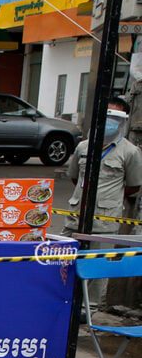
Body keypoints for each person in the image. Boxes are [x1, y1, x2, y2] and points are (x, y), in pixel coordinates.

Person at [63, 97, 142, 312]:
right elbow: (74, 177)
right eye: (105, 115)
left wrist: (108, 198)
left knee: (97, 267)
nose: (108, 121)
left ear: (122, 121)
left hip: (104, 222)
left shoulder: (130, 152)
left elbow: (134, 186)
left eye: (114, 117)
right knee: (65, 262)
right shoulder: (83, 146)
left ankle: (89, 311)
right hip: (75, 216)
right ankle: (64, 303)